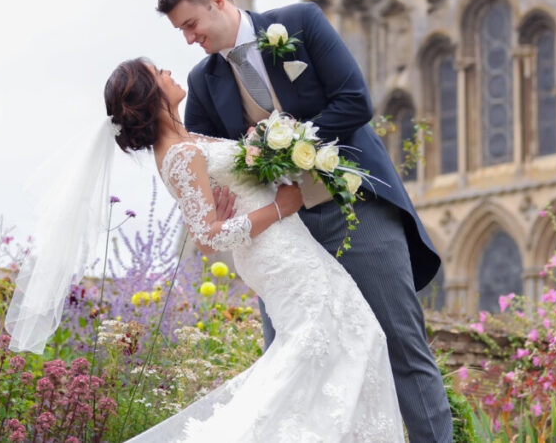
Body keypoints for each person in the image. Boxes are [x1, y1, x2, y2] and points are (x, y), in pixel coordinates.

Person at [158, 0, 453, 442]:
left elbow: (355, 100)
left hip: (356, 207)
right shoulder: (204, 82)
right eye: (180, 32)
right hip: (285, 240)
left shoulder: (301, 23)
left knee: (403, 346)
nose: (189, 38)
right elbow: (215, 171)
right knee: (291, 368)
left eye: (190, 24)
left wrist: (284, 140)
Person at [105, 59, 404, 441]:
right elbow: (208, 238)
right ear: (149, 93)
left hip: (286, 243)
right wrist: (279, 206)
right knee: (326, 343)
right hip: (276, 253)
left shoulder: (189, 142)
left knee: (348, 340)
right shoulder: (180, 154)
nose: (168, 73)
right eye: (158, 72)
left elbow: (213, 216)